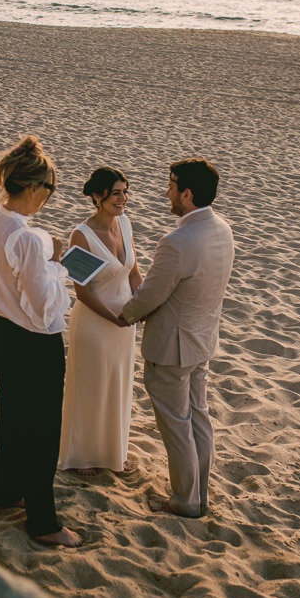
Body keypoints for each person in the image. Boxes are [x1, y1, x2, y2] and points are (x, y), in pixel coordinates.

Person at [0, 136, 82, 547]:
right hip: (36, 342)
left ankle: (5, 495)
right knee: (42, 430)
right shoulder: (29, 239)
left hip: (4, 333)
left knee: (12, 415)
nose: (47, 201)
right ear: (34, 188)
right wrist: (56, 268)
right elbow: (44, 309)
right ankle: (43, 522)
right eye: (49, 192)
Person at [119, 158, 234, 518]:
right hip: (202, 341)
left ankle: (185, 500)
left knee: (177, 426)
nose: (166, 192)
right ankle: (199, 495)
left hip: (171, 348)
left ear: (186, 194)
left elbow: (152, 294)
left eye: (170, 186)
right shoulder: (223, 229)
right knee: (198, 417)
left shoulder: (177, 241)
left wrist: (125, 315)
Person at [58, 167, 142, 476]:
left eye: (125, 191)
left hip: (125, 324)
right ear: (98, 195)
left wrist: (143, 305)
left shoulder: (125, 224)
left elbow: (133, 272)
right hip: (95, 324)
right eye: (117, 192)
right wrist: (114, 318)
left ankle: (111, 454)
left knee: (117, 388)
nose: (123, 199)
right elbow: (82, 290)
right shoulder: (82, 234)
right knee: (91, 388)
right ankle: (82, 457)